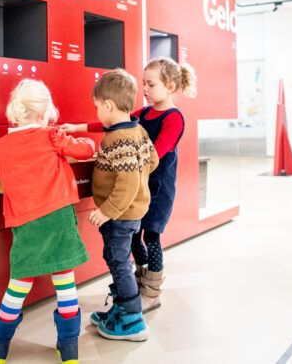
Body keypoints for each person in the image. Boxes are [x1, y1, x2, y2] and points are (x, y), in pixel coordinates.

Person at [62, 57, 197, 312]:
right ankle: (136, 283)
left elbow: (154, 156)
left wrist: (126, 164)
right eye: (144, 83)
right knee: (135, 236)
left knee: (152, 236)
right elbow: (113, 121)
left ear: (169, 86)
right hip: (137, 187)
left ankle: (152, 291)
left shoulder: (173, 118)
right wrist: (77, 127)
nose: (144, 89)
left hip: (156, 189)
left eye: (151, 84)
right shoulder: (144, 113)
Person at [0, 79, 95, 364]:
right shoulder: (51, 136)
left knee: (19, 282)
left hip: (27, 222)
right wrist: (76, 139)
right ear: (45, 113)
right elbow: (86, 150)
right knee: (65, 280)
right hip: (59, 218)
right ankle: (68, 347)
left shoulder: (3, 144)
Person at [85, 68, 158, 341]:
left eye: (96, 107)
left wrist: (106, 211)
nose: (96, 113)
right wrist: (139, 179)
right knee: (117, 260)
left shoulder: (118, 139)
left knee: (118, 262)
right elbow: (152, 161)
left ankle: (131, 320)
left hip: (120, 215)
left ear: (108, 105)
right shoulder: (137, 129)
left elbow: (126, 183)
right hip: (132, 211)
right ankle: (121, 310)